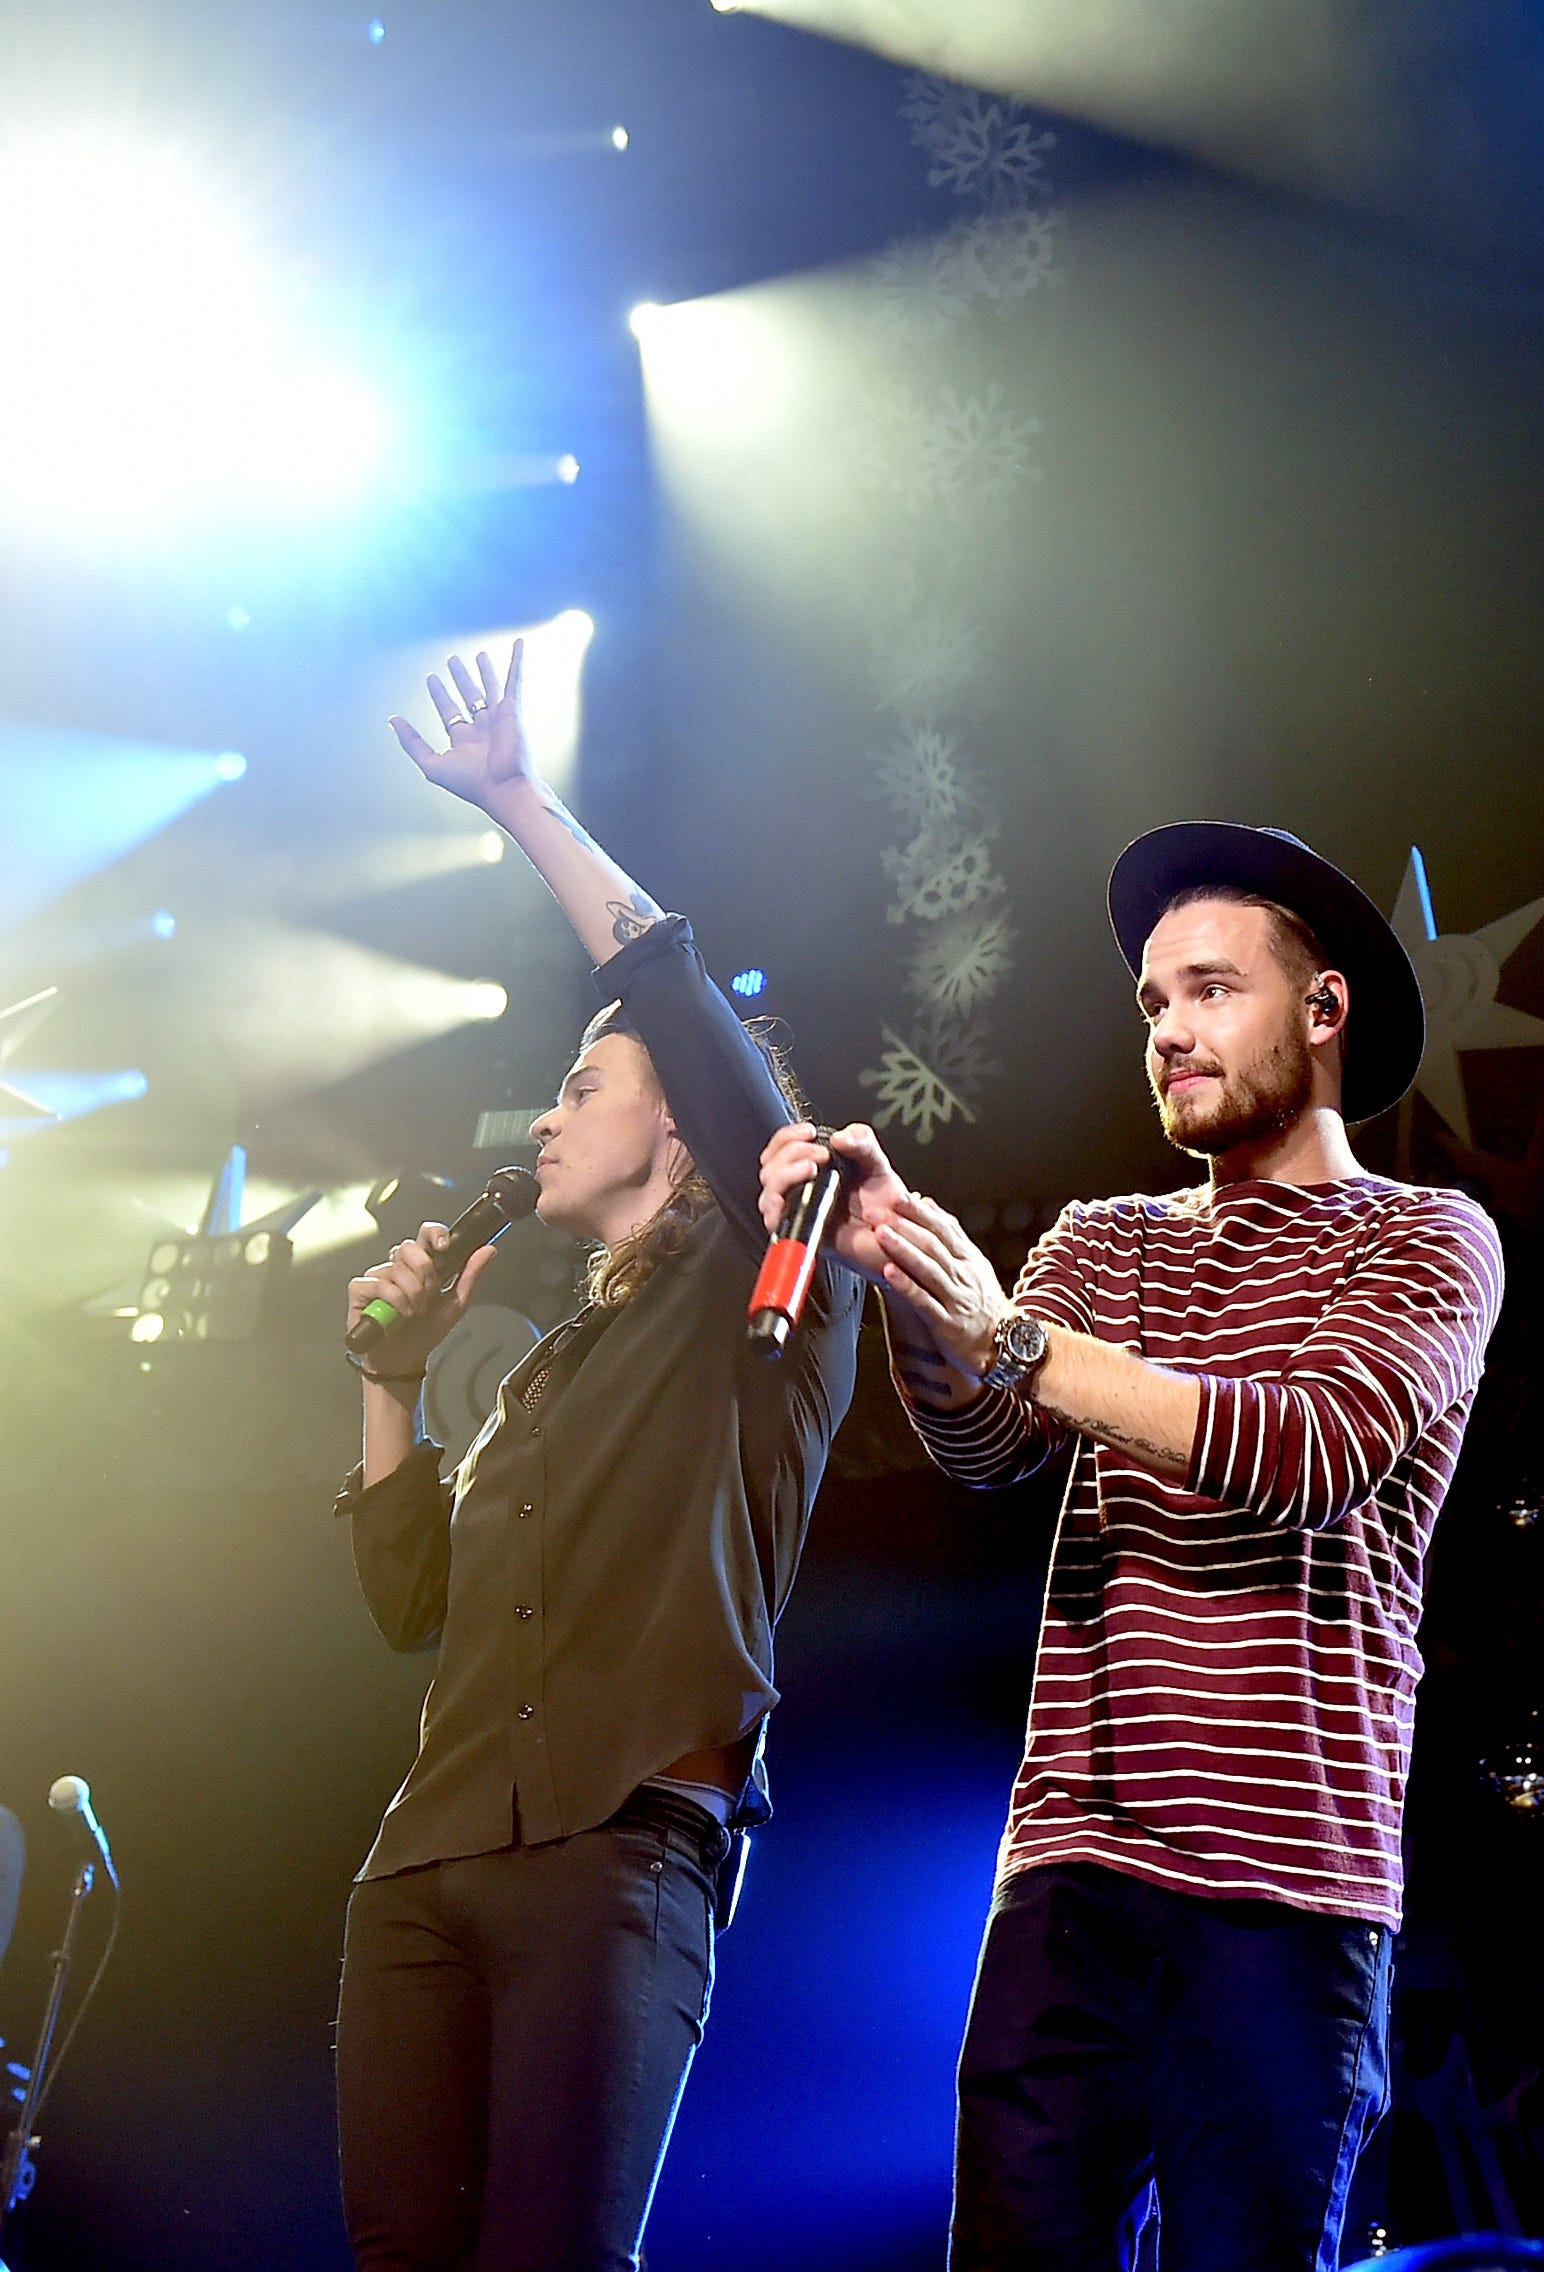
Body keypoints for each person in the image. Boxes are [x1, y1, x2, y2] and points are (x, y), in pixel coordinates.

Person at [755, 823, 1505, 2272]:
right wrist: (910, 1272)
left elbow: (1306, 1449)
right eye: (1154, 1004)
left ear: (1325, 1011)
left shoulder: (1427, 1237)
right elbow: (983, 1440)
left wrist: (1011, 1336)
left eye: (1212, 990)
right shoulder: (1104, 1242)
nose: (1169, 1031)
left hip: (1289, 1903)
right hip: (1070, 1877)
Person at [332, 643, 863, 2271]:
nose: (546, 1121)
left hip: (621, 1847)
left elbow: (677, 998)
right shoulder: (545, 1372)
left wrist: (516, 802)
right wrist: (393, 1379)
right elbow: (407, 1599)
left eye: (581, 1085)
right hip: (420, 1869)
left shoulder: (768, 1282)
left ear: (681, 1129)